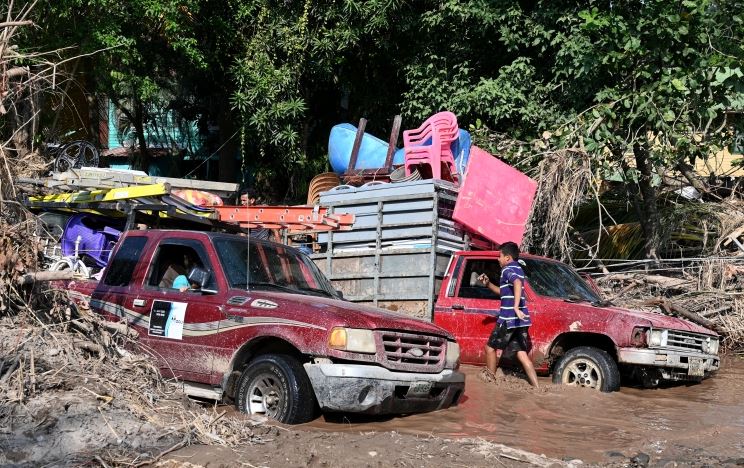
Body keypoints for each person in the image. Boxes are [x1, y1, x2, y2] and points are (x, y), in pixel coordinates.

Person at [478, 241, 539, 387]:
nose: (498, 259)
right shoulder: (518, 268)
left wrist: (516, 307)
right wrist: (488, 284)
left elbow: (517, 283)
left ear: (507, 257)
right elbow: (503, 292)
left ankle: (490, 382)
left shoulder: (507, 270)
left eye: (499, 256)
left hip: (508, 319)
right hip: (521, 321)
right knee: (522, 354)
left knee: (490, 348)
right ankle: (537, 388)